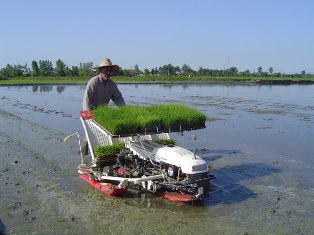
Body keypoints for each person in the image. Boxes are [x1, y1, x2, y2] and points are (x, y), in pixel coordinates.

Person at [81, 58, 125, 155]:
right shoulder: (93, 82)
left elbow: (118, 99)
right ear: (101, 70)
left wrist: (125, 111)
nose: (108, 73)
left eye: (110, 71)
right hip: (91, 113)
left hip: (103, 113)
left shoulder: (112, 85)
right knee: (89, 135)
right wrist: (88, 117)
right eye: (106, 70)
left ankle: (98, 156)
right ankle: (84, 156)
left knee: (102, 135)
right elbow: (86, 100)